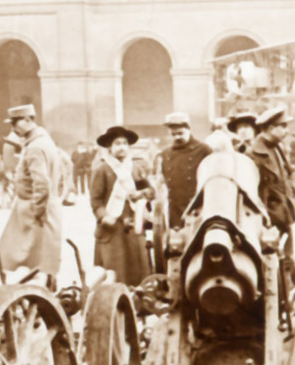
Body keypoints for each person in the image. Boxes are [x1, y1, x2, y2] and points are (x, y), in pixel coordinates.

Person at [0, 103, 65, 283]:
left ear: (28, 120)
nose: (13, 129)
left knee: (31, 264)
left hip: (36, 212)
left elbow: (41, 184)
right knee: (44, 262)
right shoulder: (45, 141)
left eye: (15, 123)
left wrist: (36, 211)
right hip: (46, 208)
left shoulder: (35, 147)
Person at [90, 125, 152, 287]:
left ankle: (139, 300)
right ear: (110, 148)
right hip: (112, 229)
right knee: (115, 270)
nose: (121, 147)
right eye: (117, 144)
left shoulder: (135, 168)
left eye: (124, 143)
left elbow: (151, 191)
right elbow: (95, 201)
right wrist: (104, 216)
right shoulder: (102, 170)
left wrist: (142, 194)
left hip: (133, 226)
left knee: (137, 268)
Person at [155, 111, 213, 229]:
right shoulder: (165, 154)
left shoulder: (203, 150)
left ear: (189, 129)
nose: (177, 137)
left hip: (198, 208)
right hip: (174, 209)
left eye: (180, 133)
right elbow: (160, 182)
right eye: (173, 134)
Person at [250, 106, 295, 234]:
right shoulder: (254, 154)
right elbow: (251, 191)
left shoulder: (277, 147)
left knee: (287, 253)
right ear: (271, 128)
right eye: (283, 126)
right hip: (268, 219)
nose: (286, 130)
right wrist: (265, 217)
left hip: (283, 215)